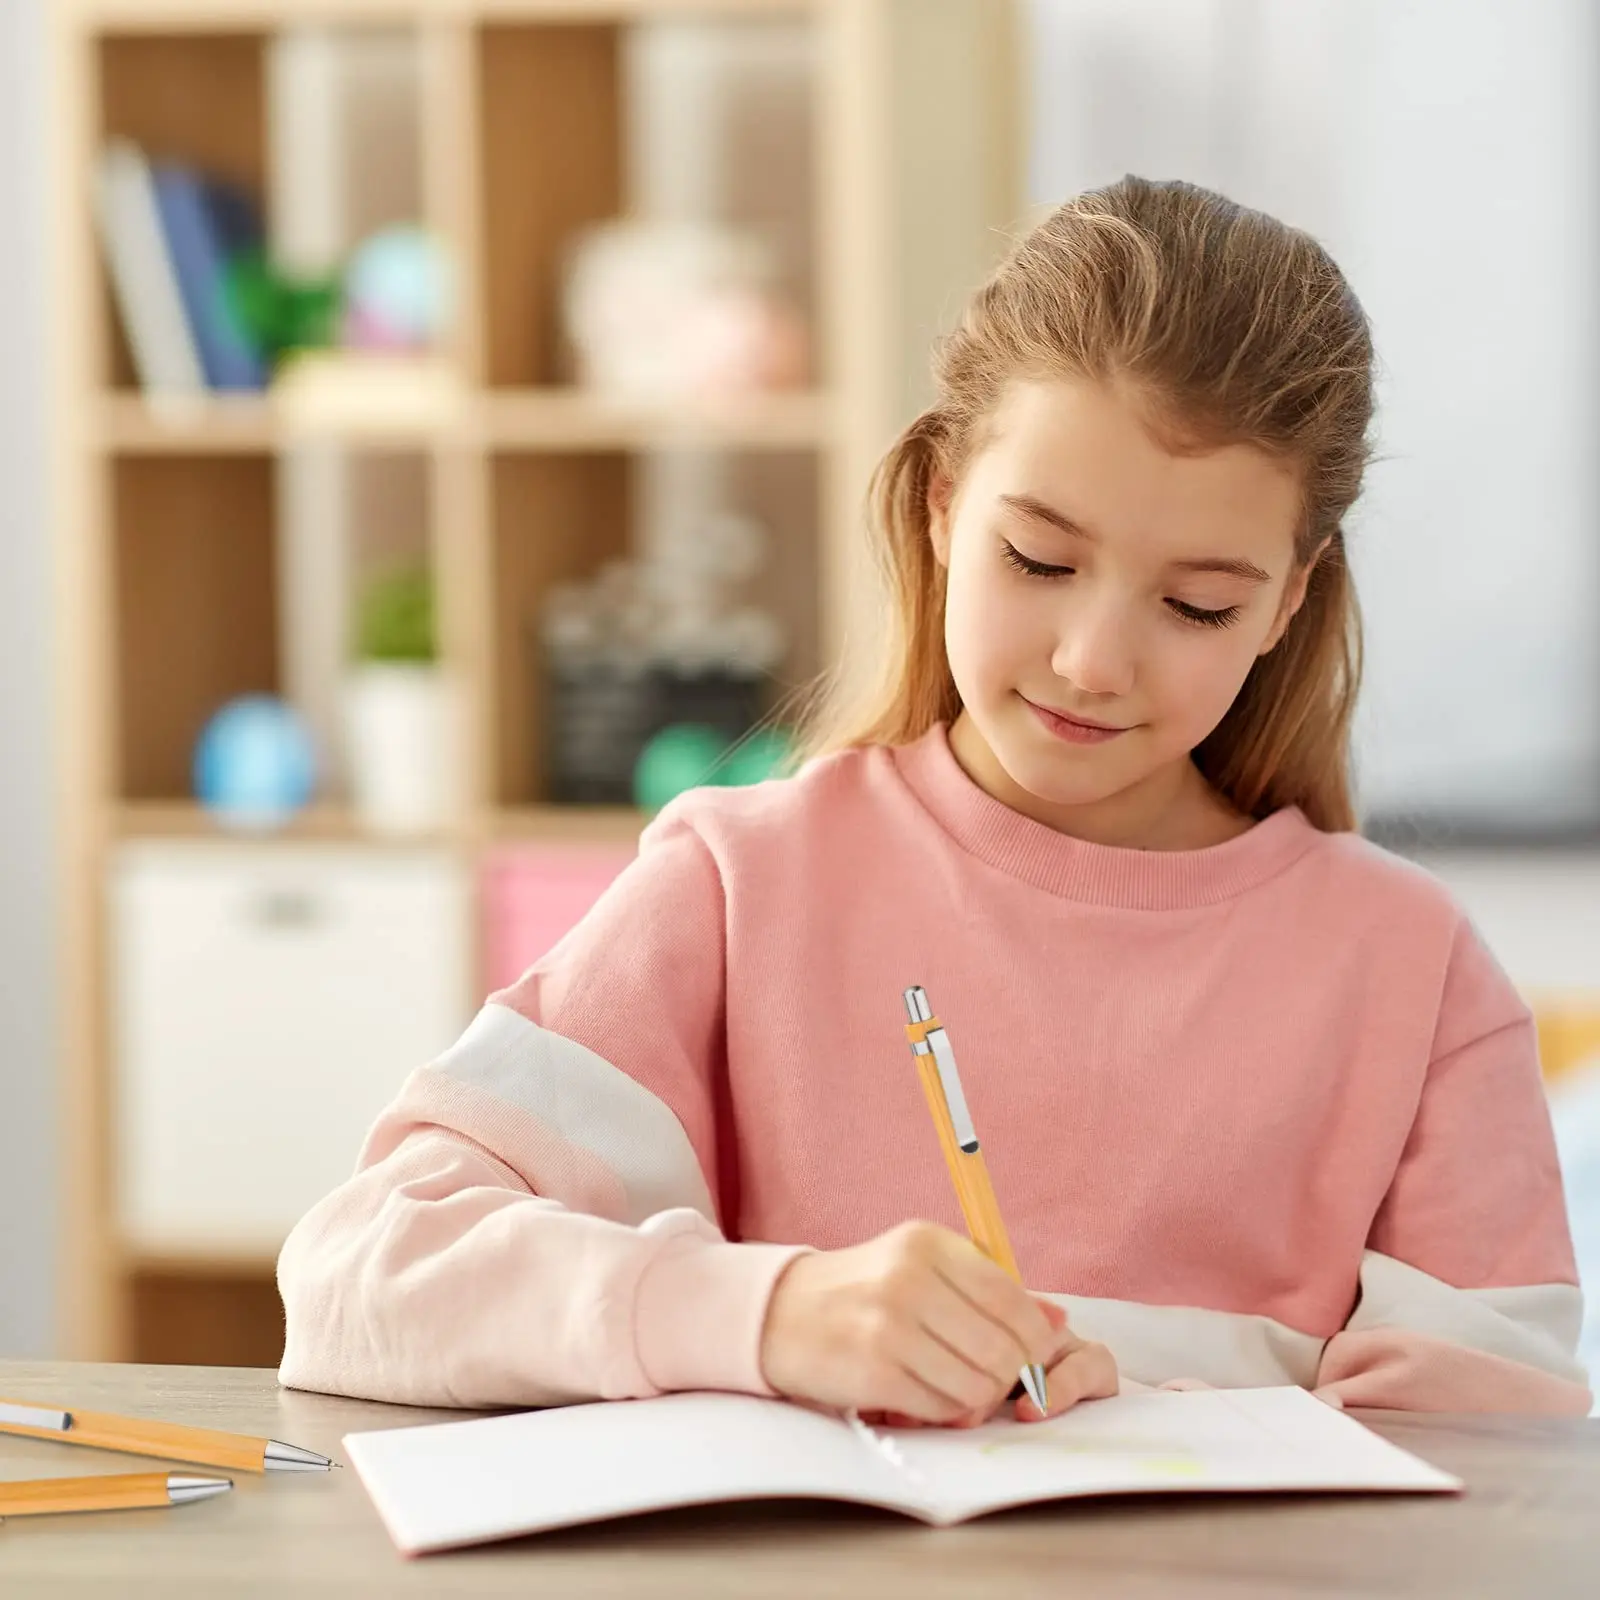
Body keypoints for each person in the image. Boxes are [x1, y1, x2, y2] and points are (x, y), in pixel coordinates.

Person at [278, 178, 1591, 1424]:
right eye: (1039, 557)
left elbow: (1490, 1475)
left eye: (1198, 604)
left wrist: (1138, 1416)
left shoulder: (1415, 980)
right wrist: (770, 1313)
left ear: (1287, 601)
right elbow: (356, 1278)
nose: (1093, 660)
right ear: (941, 502)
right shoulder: (742, 886)